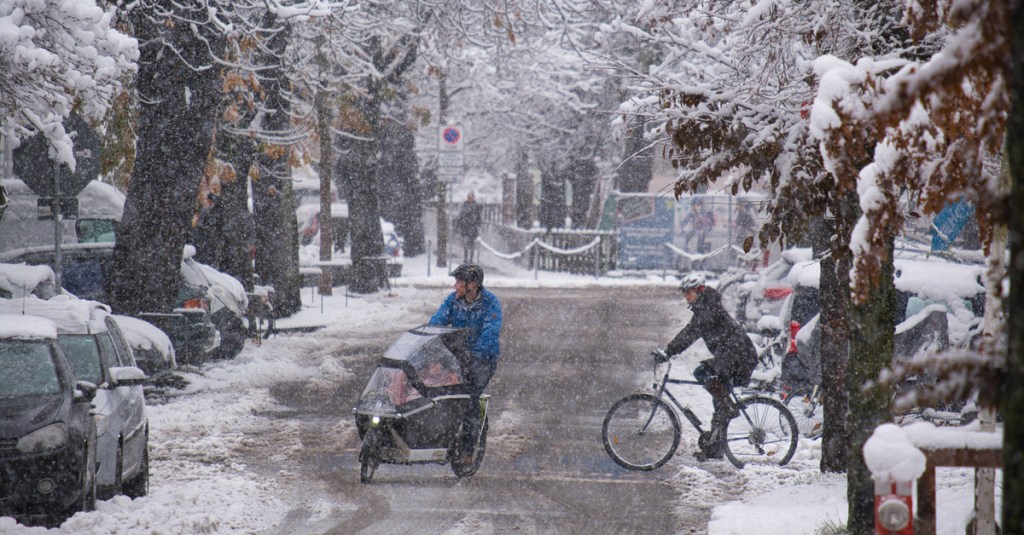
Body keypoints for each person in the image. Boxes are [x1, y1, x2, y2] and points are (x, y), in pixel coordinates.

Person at [653, 272, 758, 461]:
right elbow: (691, 331)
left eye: (689, 292)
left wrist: (668, 352)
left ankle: (728, 407)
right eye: (685, 293)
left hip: (738, 355)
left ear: (699, 290)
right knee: (717, 397)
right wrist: (669, 351)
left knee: (703, 373)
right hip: (731, 354)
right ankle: (715, 447)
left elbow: (691, 333)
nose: (686, 297)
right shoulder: (705, 307)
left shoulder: (709, 309)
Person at [428, 263, 502, 465]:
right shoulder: (453, 301)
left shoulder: (490, 304)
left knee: (469, 397)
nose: (455, 286)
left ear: (474, 284)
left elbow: (490, 333)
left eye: (460, 281)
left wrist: (476, 355)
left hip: (483, 359)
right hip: (457, 356)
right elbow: (436, 322)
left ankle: (468, 449)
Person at [455, 192, 482, 263]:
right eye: (468, 197)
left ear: (473, 198)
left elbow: (478, 218)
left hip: (473, 229)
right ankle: (466, 258)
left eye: (471, 197)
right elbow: (460, 216)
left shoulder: (476, 206)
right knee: (465, 244)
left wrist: (478, 225)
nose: (469, 198)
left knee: (472, 245)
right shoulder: (464, 205)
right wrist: (459, 225)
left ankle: (471, 259)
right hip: (465, 228)